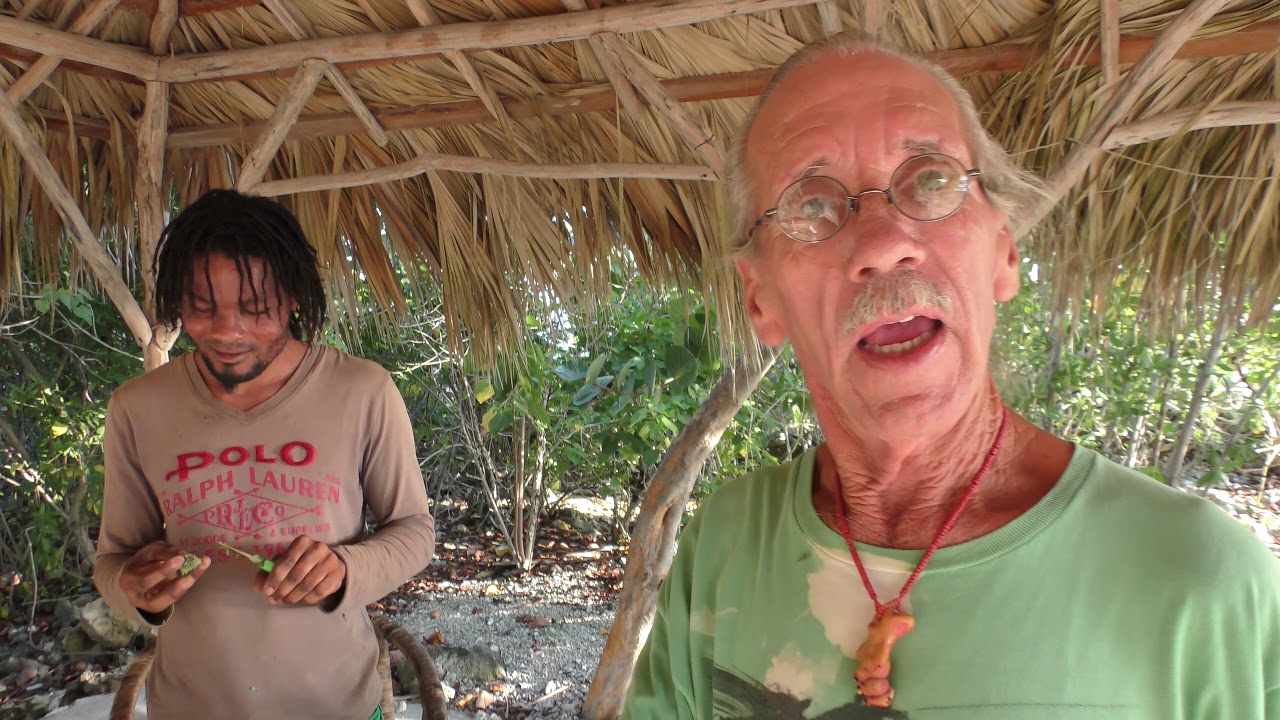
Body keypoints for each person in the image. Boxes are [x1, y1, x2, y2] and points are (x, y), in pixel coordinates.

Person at [623, 32, 1280, 719]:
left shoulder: (1203, 584)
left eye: (930, 180)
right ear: (760, 298)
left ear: (1004, 250)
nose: (882, 244)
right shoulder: (723, 547)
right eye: (811, 205)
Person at [94, 189, 437, 719]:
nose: (227, 331)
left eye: (256, 309)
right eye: (201, 307)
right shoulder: (138, 407)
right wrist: (134, 588)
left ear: (295, 295)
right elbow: (113, 563)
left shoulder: (361, 391)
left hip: (336, 704)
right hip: (190, 706)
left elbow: (414, 531)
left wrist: (344, 568)